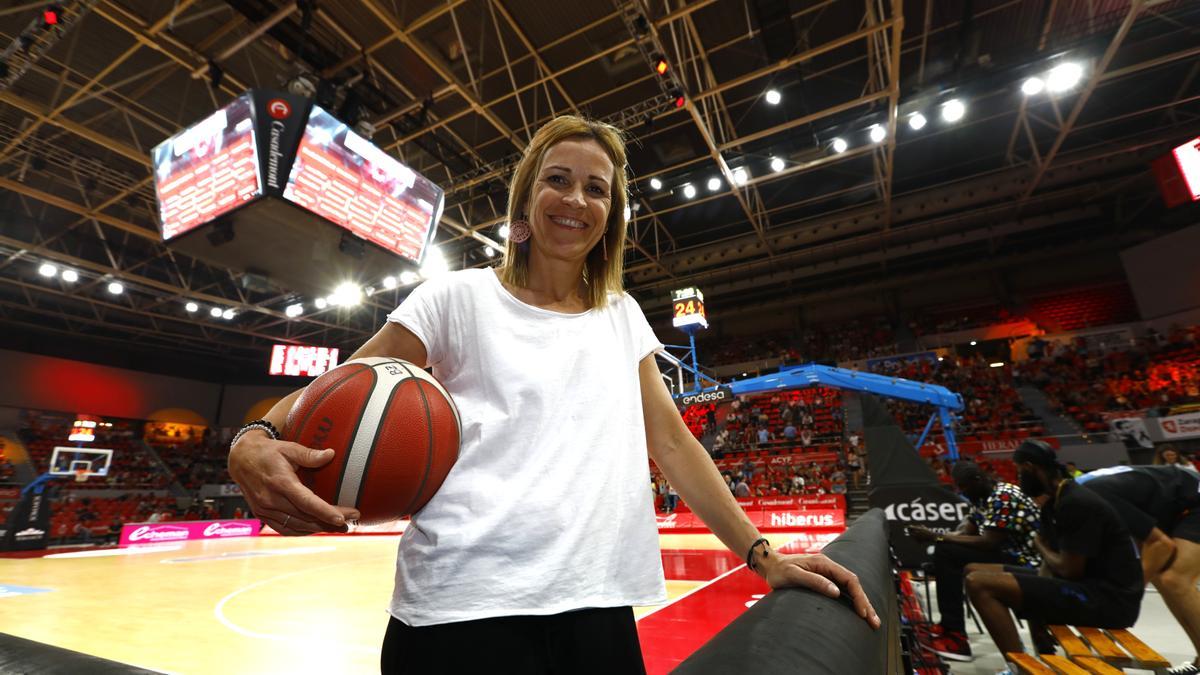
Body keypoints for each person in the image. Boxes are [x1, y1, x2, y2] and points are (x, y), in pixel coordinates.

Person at [228, 115, 878, 672]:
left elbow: (674, 442)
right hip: (460, 612)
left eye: (597, 188)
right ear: (525, 200)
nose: (576, 199)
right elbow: (337, 388)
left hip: (596, 611)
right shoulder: (457, 297)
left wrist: (762, 555)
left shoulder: (620, 313)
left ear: (611, 215)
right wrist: (252, 440)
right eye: (557, 179)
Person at [964, 441, 1143, 662]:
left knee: (978, 583)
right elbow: (1050, 566)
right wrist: (1037, 606)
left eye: (1019, 471)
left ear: (1030, 467)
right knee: (974, 570)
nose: (1018, 479)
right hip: (1086, 586)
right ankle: (1042, 655)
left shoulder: (1076, 502)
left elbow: (1069, 571)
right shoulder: (1055, 502)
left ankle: (1019, 666)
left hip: (1110, 600)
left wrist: (1038, 545)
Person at [908, 461, 1042, 662]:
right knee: (946, 551)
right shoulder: (981, 498)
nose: (962, 491)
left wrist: (936, 536)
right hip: (1006, 554)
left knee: (947, 551)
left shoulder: (1004, 495)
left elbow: (989, 542)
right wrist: (936, 537)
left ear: (978, 480)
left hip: (1027, 560)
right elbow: (964, 531)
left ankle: (955, 635)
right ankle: (949, 628)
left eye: (964, 486)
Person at [1076, 465, 1200, 673]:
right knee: (1162, 579)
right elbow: (1142, 542)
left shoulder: (1092, 498)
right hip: (1173, 503)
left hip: (1193, 499)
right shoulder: (1083, 498)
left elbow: (1161, 546)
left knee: (1175, 579)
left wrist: (1131, 592)